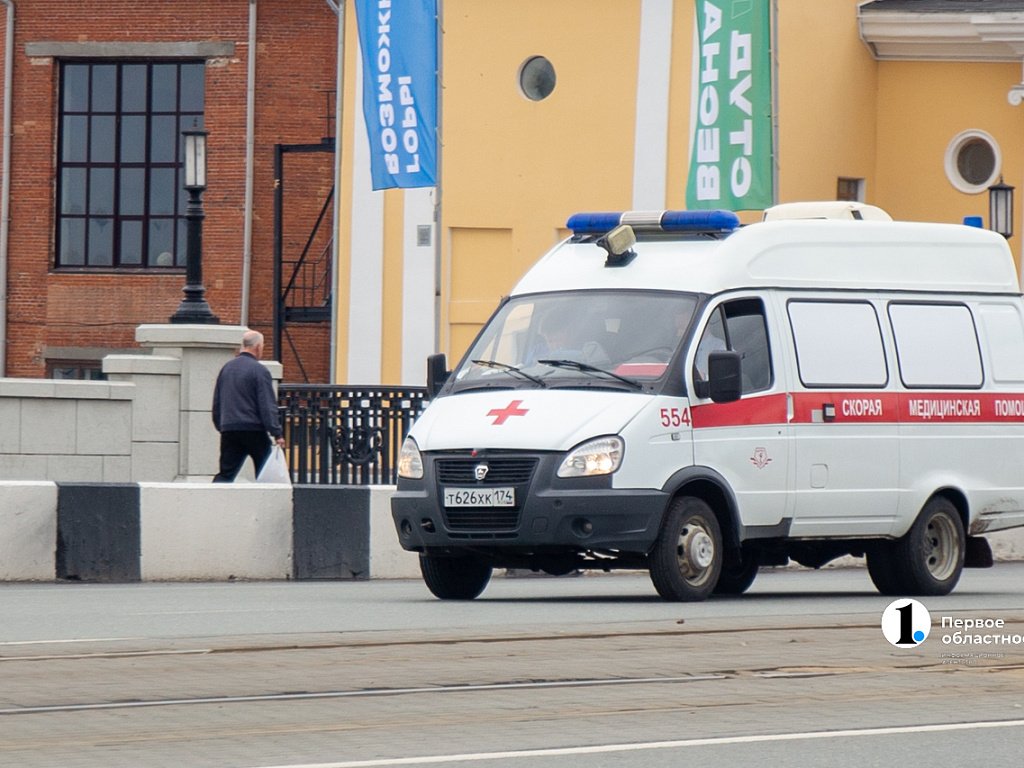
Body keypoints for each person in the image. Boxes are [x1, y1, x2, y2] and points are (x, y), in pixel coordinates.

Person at [211, 330, 286, 482]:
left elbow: (217, 402)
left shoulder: (226, 369)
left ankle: (214, 496)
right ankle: (265, 497)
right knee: (266, 471)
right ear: (257, 347)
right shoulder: (259, 370)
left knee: (226, 474)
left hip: (230, 428)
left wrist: (222, 426)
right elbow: (267, 404)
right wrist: (276, 433)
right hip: (253, 429)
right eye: (262, 346)